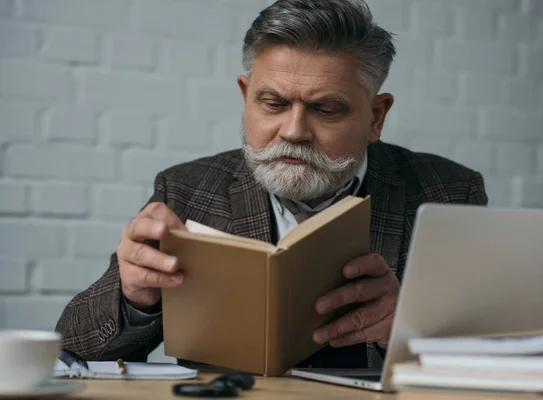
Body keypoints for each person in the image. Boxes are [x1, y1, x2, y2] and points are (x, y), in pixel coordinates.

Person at [55, 0, 487, 370]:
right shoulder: (186, 190)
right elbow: (72, 351)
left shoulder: (448, 194)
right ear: (246, 97)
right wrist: (134, 297)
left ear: (376, 117)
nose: (294, 131)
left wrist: (409, 329)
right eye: (274, 103)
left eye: (327, 109)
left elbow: (497, 355)